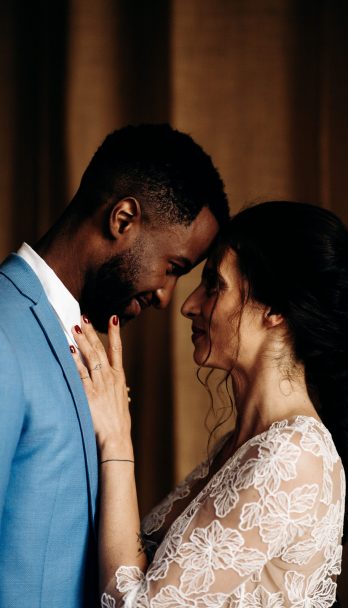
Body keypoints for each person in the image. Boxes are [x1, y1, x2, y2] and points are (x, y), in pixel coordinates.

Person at [71, 201, 348, 607]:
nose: (188, 305)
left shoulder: (292, 456)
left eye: (214, 285)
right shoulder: (240, 445)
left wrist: (116, 440)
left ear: (275, 310)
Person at [0, 123, 229, 608]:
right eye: (174, 268)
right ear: (123, 219)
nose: (168, 298)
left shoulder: (83, 346)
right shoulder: (3, 332)